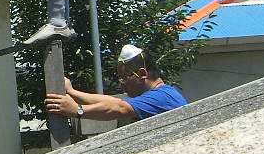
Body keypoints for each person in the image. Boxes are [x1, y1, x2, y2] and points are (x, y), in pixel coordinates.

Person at [44, 44, 188, 122]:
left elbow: (119, 107)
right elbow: (112, 101)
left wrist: (77, 110)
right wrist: (72, 92)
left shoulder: (162, 97)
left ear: (143, 74)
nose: (121, 82)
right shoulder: (160, 94)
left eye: (125, 77)